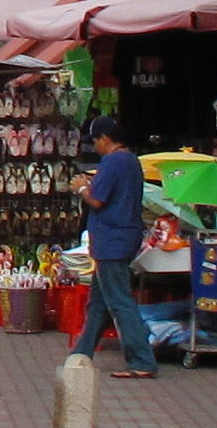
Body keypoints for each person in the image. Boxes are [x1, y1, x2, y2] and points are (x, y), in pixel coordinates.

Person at [67, 116, 159, 377]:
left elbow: (97, 200)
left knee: (119, 301)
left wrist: (82, 187)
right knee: (99, 302)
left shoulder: (112, 161)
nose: (95, 146)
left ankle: (142, 360)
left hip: (111, 240)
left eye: (95, 141)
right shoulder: (131, 160)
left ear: (105, 139)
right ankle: (81, 354)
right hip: (124, 235)